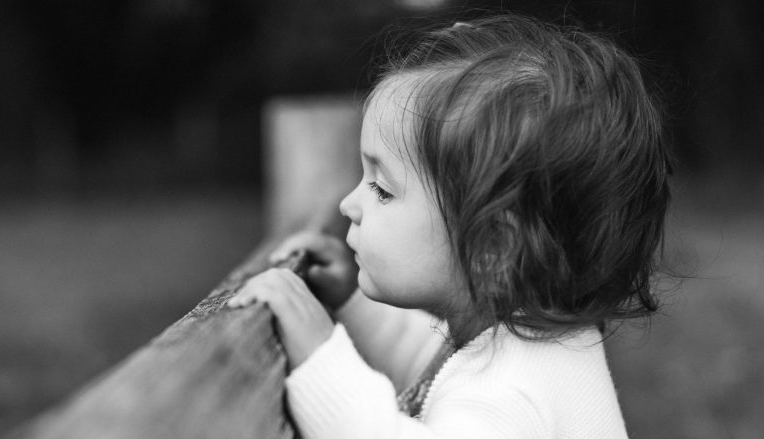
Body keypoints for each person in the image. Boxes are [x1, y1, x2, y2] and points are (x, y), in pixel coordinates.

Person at [226, 13, 672, 439]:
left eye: (382, 189)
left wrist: (322, 360)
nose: (348, 204)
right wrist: (351, 301)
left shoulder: (507, 394)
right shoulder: (524, 346)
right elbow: (431, 365)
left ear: (493, 245)